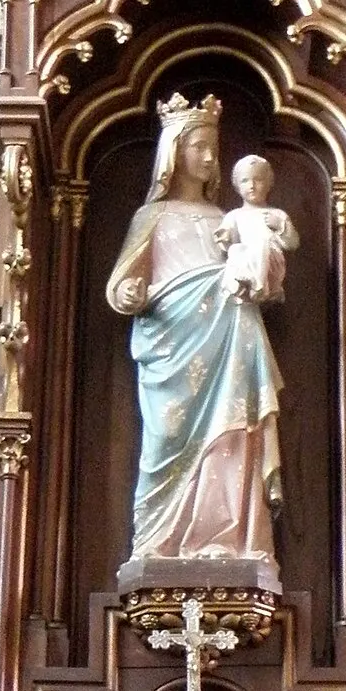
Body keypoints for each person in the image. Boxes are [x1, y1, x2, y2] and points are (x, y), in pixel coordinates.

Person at [106, 94, 293, 573]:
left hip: (230, 335)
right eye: (200, 147)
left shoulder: (225, 220)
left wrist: (261, 270)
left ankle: (229, 539)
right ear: (174, 151)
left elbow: (259, 273)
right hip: (172, 341)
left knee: (234, 433)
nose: (211, 158)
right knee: (166, 437)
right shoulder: (152, 216)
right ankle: (156, 542)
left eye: (214, 148)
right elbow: (125, 280)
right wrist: (128, 292)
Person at [216, 153, 297, 303]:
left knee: (260, 247)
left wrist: (280, 226)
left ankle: (258, 287)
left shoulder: (276, 214)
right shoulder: (235, 215)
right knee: (236, 250)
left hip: (269, 266)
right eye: (245, 181)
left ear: (268, 183)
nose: (252, 186)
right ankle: (242, 285)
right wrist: (224, 237)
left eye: (258, 180)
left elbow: (293, 243)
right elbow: (226, 246)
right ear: (237, 186)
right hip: (245, 265)